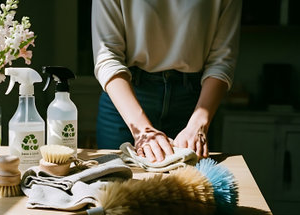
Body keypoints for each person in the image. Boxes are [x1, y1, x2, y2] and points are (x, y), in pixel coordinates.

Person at [91, 0, 242, 162]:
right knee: (117, 184)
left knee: (193, 184)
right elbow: (107, 56)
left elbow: (222, 60)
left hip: (194, 103)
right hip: (127, 99)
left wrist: (198, 124)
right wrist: (144, 131)